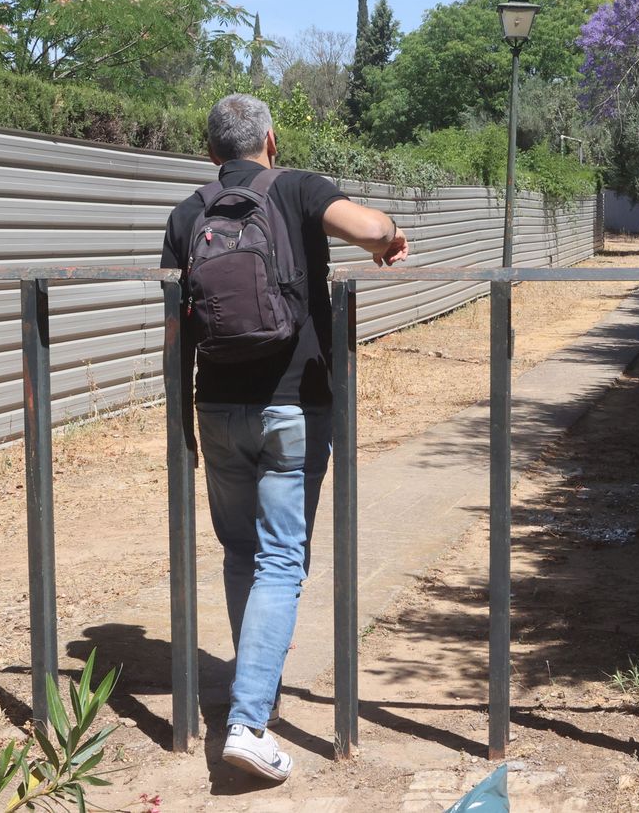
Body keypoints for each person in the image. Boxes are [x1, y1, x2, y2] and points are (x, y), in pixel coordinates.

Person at [161, 94, 409, 782]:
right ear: (271, 140)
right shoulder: (297, 188)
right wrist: (389, 236)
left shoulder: (186, 215)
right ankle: (248, 723)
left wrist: (182, 422)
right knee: (280, 559)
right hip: (295, 404)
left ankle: (255, 692)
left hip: (217, 406)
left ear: (210, 151)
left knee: (241, 553)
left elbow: (176, 331)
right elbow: (368, 228)